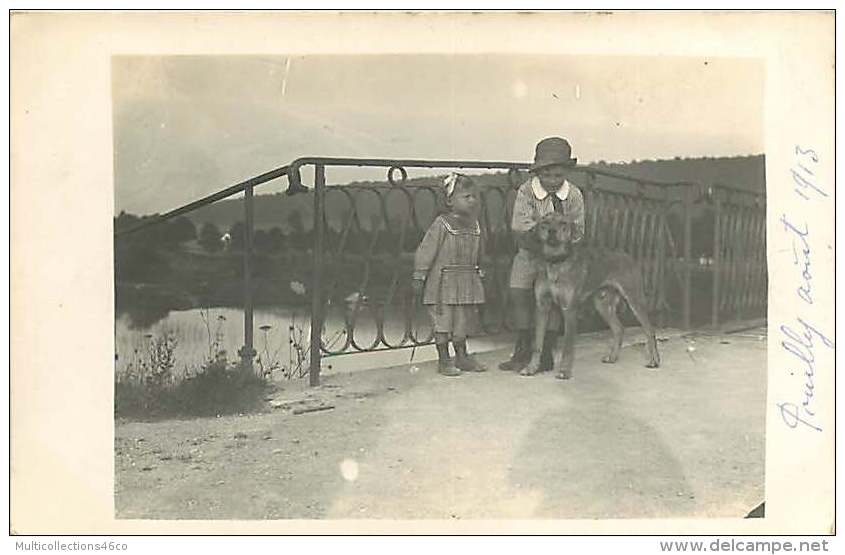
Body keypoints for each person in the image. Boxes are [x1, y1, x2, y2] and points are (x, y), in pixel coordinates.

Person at [499, 137, 586, 372]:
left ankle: (547, 349)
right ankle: (523, 346)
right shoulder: (527, 191)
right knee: (518, 292)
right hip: (530, 251)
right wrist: (542, 243)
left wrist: (563, 250)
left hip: (561, 257)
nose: (552, 181)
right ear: (538, 172)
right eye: (546, 175)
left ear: (566, 173)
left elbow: (578, 230)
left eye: (558, 176)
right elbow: (520, 226)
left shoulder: (574, 195)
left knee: (555, 302)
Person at [413, 173, 488, 377]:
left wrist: (481, 267)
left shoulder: (476, 225)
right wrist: (419, 275)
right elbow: (426, 250)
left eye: (474, 196)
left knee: (462, 321)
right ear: (449, 201)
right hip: (442, 283)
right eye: (466, 197)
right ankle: (444, 359)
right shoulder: (441, 223)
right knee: (443, 322)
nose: (472, 201)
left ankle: (462, 356)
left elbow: (480, 250)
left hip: (466, 281)